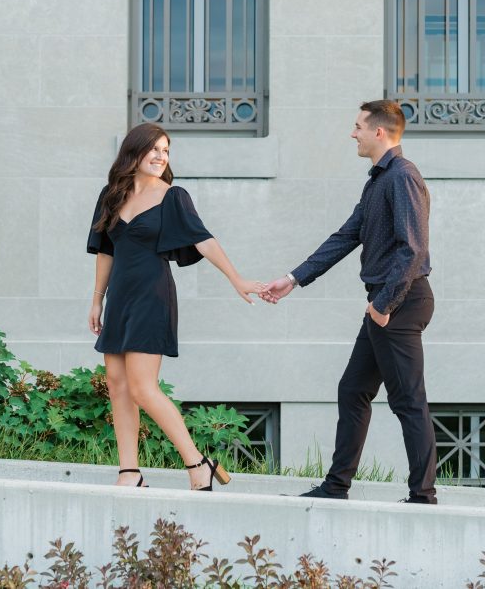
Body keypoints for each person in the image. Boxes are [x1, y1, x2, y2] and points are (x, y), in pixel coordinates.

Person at [260, 100, 438, 504]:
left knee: (408, 400)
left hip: (400, 303)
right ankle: (336, 486)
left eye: (358, 126)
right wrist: (293, 278)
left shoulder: (402, 177)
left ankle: (423, 497)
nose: (352, 133)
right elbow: (346, 235)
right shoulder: (378, 180)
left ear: (380, 132)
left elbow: (413, 248)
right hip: (385, 303)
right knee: (353, 389)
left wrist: (385, 305)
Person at [87, 123, 263, 491]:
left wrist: (237, 278)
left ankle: (198, 463)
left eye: (165, 151)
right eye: (154, 149)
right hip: (119, 297)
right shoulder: (111, 195)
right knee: (117, 385)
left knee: (142, 387)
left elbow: (204, 240)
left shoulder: (173, 196)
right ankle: (129, 472)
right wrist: (97, 299)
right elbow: (105, 250)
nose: (160, 157)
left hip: (152, 296)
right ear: (133, 152)